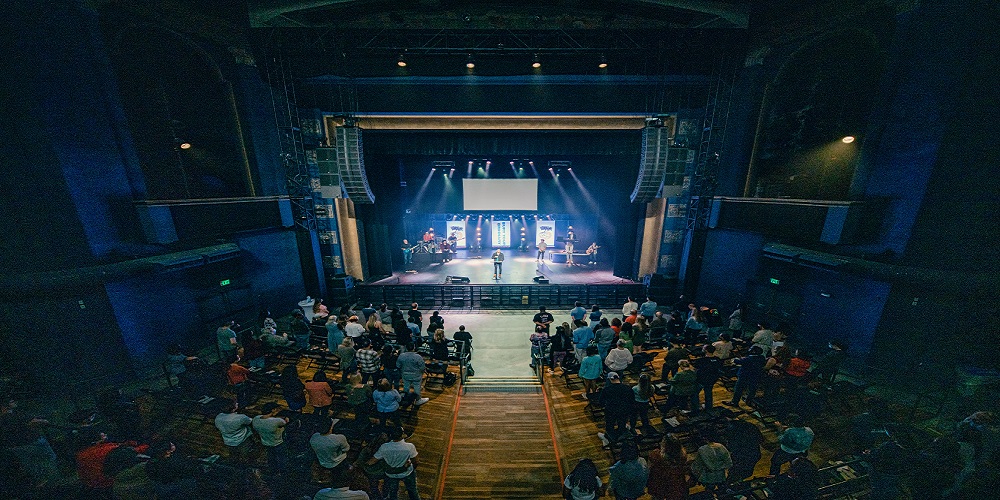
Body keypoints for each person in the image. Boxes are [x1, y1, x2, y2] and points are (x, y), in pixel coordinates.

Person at [369, 426, 420, 500]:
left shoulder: (384, 447)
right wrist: (412, 468)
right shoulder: (410, 447)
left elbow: (372, 461)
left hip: (391, 474)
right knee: (413, 491)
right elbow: (416, 461)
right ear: (402, 435)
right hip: (407, 472)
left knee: (393, 493)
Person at [646, 434, 688, 500]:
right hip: (674, 481)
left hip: (659, 480)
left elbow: (649, 468)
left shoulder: (656, 455)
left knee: (658, 496)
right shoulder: (683, 455)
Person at [598, 372, 634, 447]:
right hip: (624, 410)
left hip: (611, 411)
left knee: (610, 425)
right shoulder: (627, 388)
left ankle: (609, 440)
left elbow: (601, 402)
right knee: (622, 424)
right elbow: (632, 400)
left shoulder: (607, 389)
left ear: (610, 379)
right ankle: (621, 439)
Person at [724, 418, 764, 483]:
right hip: (754, 454)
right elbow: (761, 439)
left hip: (741, 457)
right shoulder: (751, 426)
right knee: (746, 472)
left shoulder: (733, 432)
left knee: (735, 474)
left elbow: (731, 447)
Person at [252, 403, 289, 472]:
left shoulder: (256, 419)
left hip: (265, 442)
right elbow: (285, 422)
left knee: (271, 457)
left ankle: (273, 470)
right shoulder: (277, 421)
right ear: (273, 410)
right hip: (278, 442)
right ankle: (283, 471)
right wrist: (285, 418)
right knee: (281, 457)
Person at [693, 344, 722, 412]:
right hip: (712, 380)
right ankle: (709, 407)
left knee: (695, 393)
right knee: (708, 393)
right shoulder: (717, 359)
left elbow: (695, 369)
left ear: (706, 350)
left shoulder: (701, 360)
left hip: (701, 380)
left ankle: (695, 408)